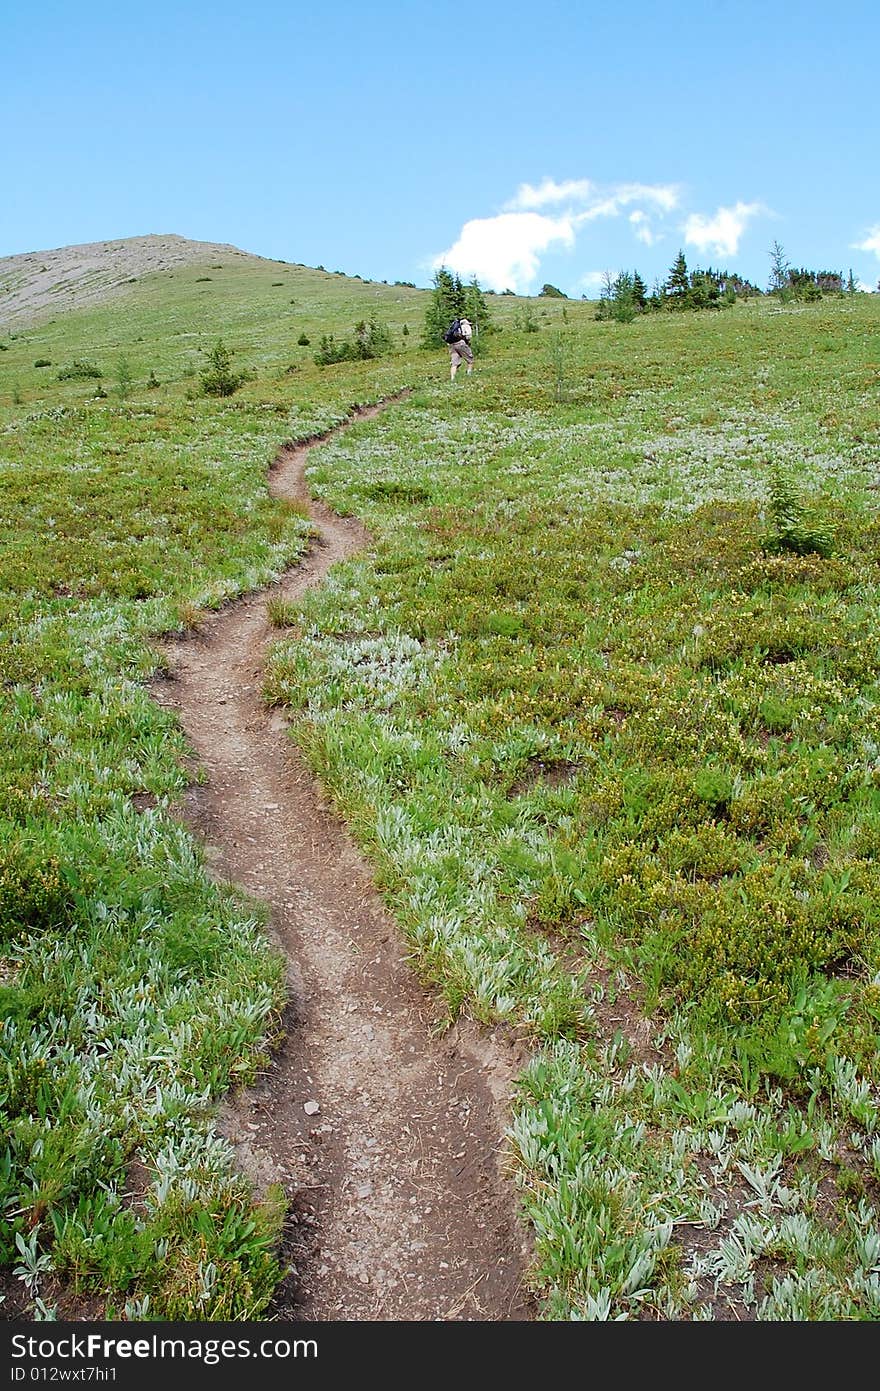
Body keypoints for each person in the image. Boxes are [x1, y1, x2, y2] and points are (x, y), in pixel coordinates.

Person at [448, 316, 473, 380]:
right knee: (470, 359)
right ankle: (469, 374)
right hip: (461, 343)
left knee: (454, 363)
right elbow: (468, 336)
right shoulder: (466, 326)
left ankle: (452, 378)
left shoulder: (455, 326)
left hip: (451, 345)